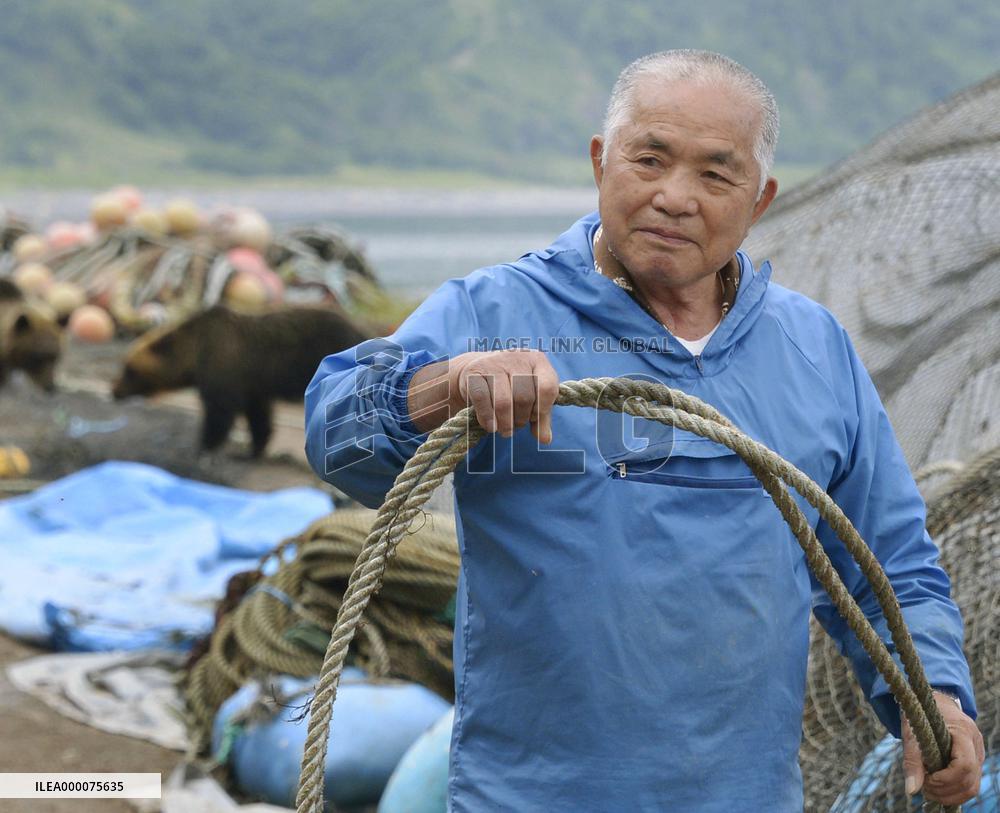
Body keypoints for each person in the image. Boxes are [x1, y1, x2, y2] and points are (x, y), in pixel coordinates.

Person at [305, 50, 984, 811]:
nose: (673, 196)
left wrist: (938, 699)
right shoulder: (492, 312)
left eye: (714, 175)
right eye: (649, 159)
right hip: (528, 797)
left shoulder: (813, 347)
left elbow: (887, 562)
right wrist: (446, 384)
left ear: (760, 201)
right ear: (602, 162)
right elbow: (337, 437)